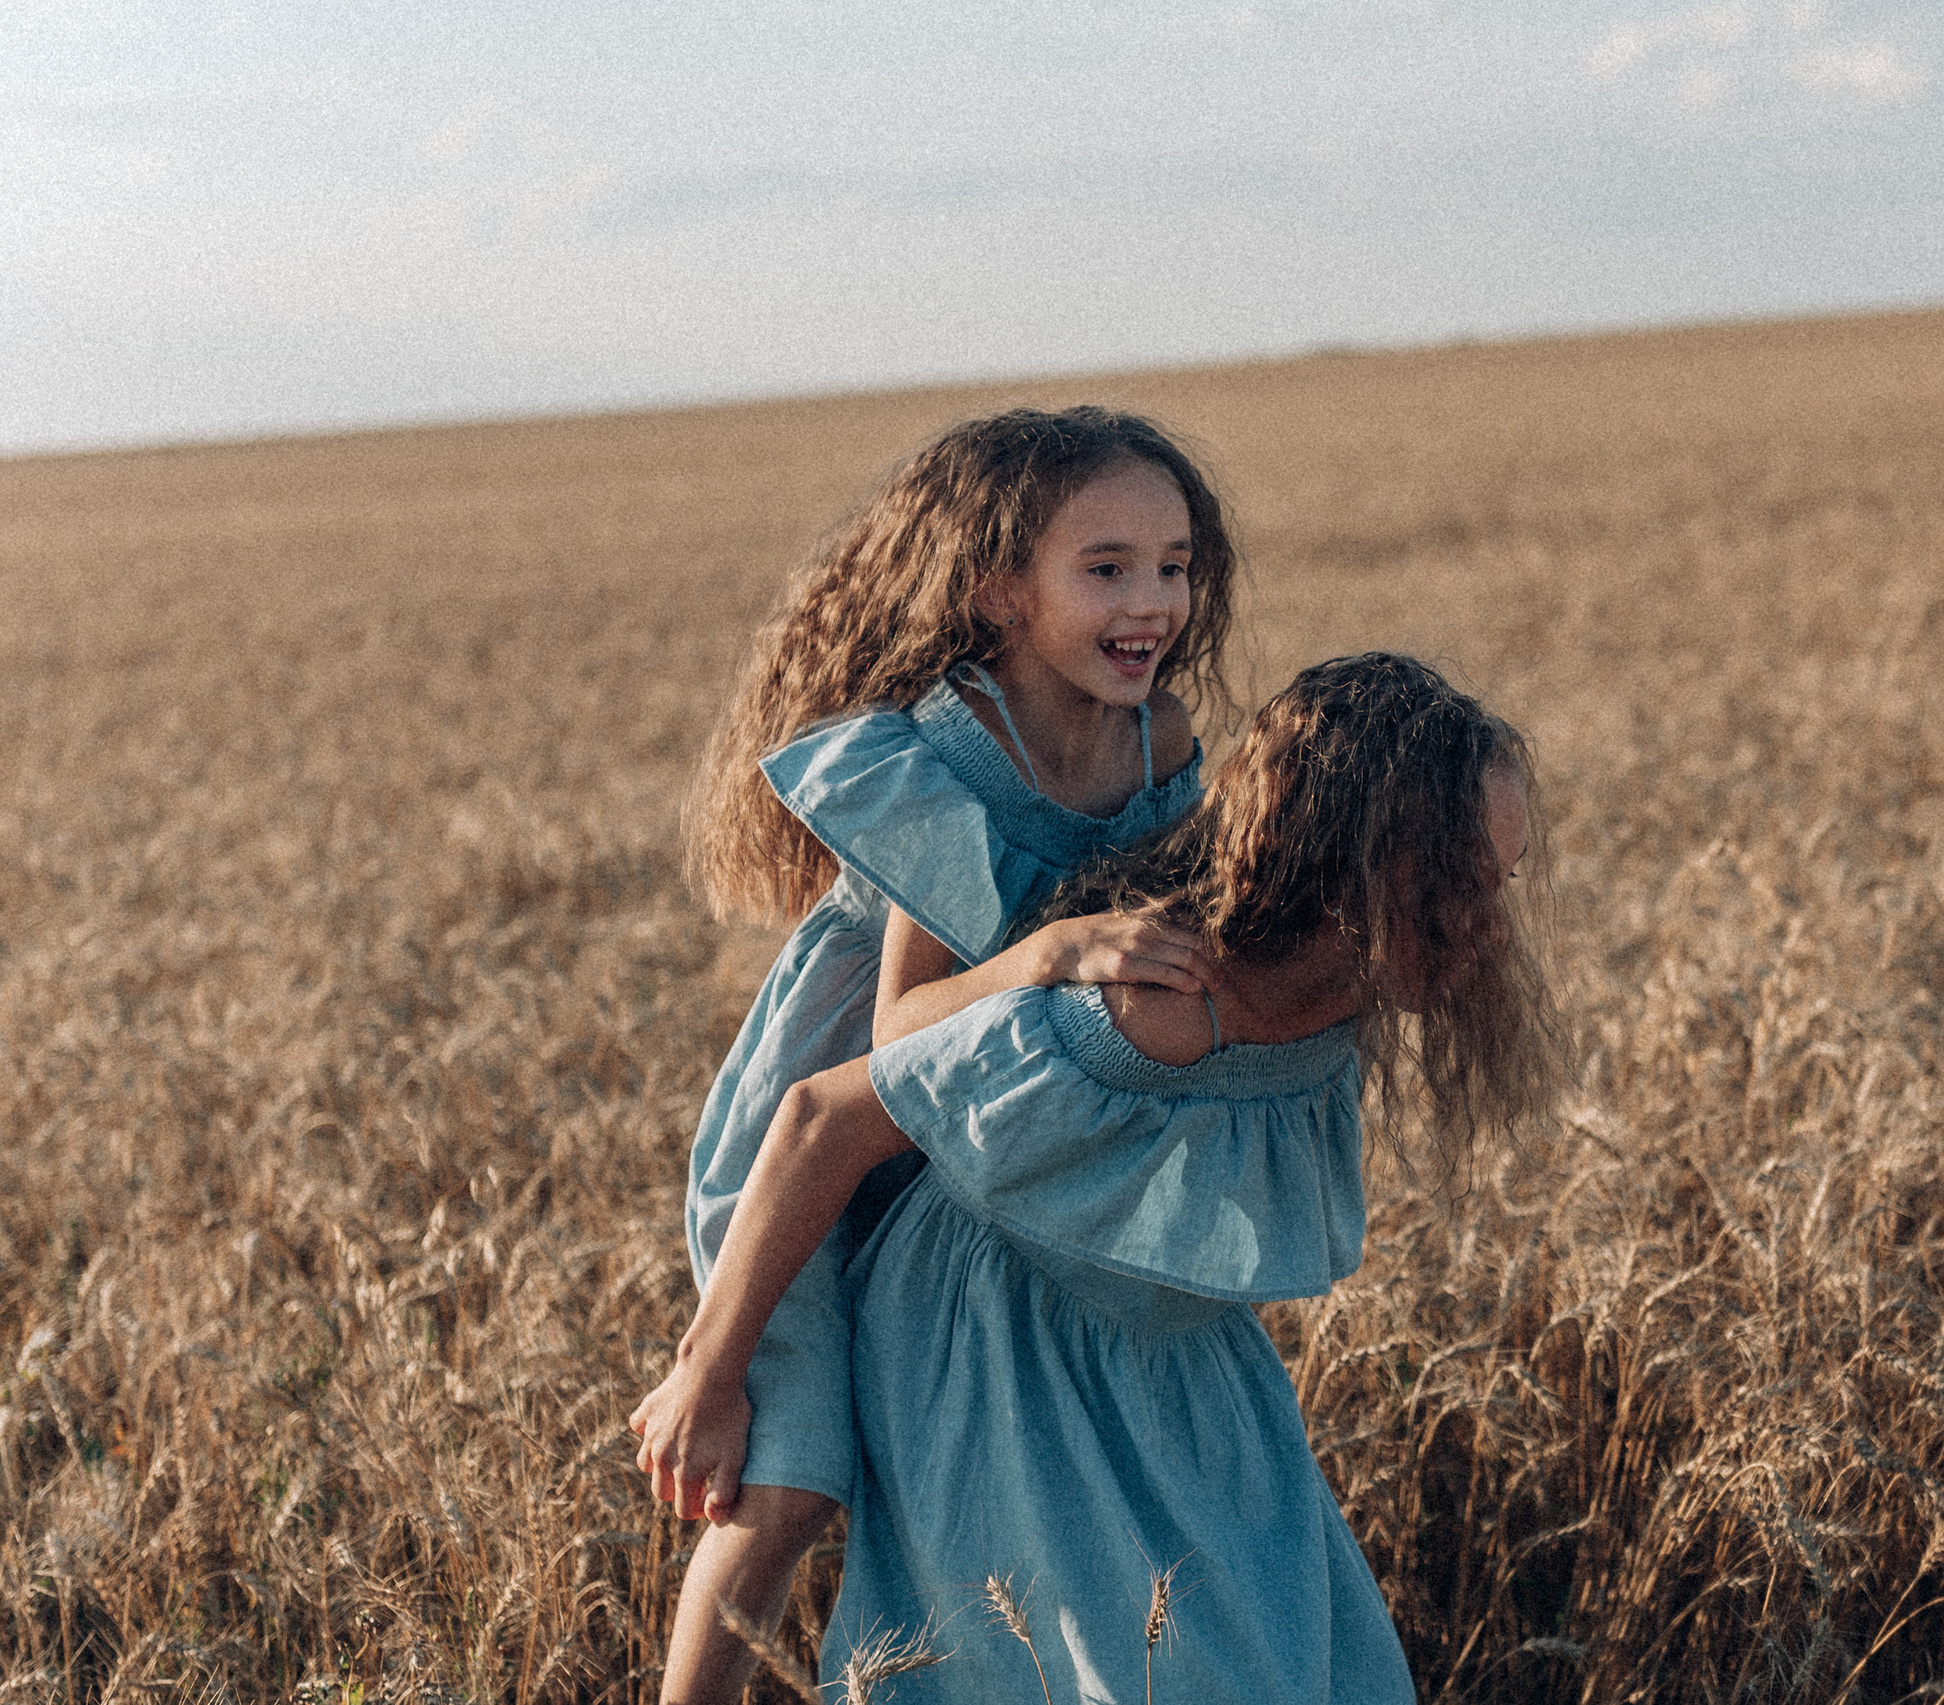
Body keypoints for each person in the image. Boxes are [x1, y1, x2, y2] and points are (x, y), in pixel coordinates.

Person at [634, 654, 1557, 1704]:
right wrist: (710, 1371)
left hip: (1185, 1373)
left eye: (1501, 882)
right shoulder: (1138, 1011)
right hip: (998, 1354)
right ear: (1341, 856)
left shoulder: (1341, 1008)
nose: (1487, 925)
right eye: (1455, 883)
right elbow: (819, 1117)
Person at [667, 407, 1243, 1703]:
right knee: (786, 1484)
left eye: (1174, 564)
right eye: (1106, 568)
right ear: (1001, 594)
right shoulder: (952, 754)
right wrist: (1056, 951)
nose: (1152, 600)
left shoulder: (1163, 743)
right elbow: (901, 1031)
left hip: (955, 1164)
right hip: (804, 1163)